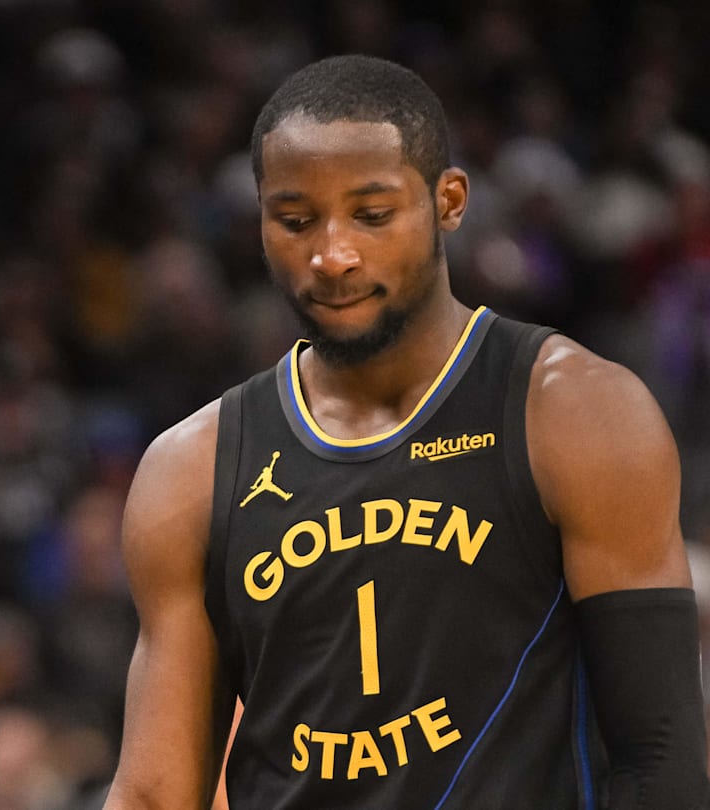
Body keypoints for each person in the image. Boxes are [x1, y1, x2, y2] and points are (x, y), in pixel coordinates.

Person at [104, 55, 710, 809]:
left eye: (372, 213)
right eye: (296, 221)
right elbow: (155, 795)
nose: (332, 254)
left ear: (448, 201)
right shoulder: (191, 469)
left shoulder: (575, 412)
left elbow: (660, 762)